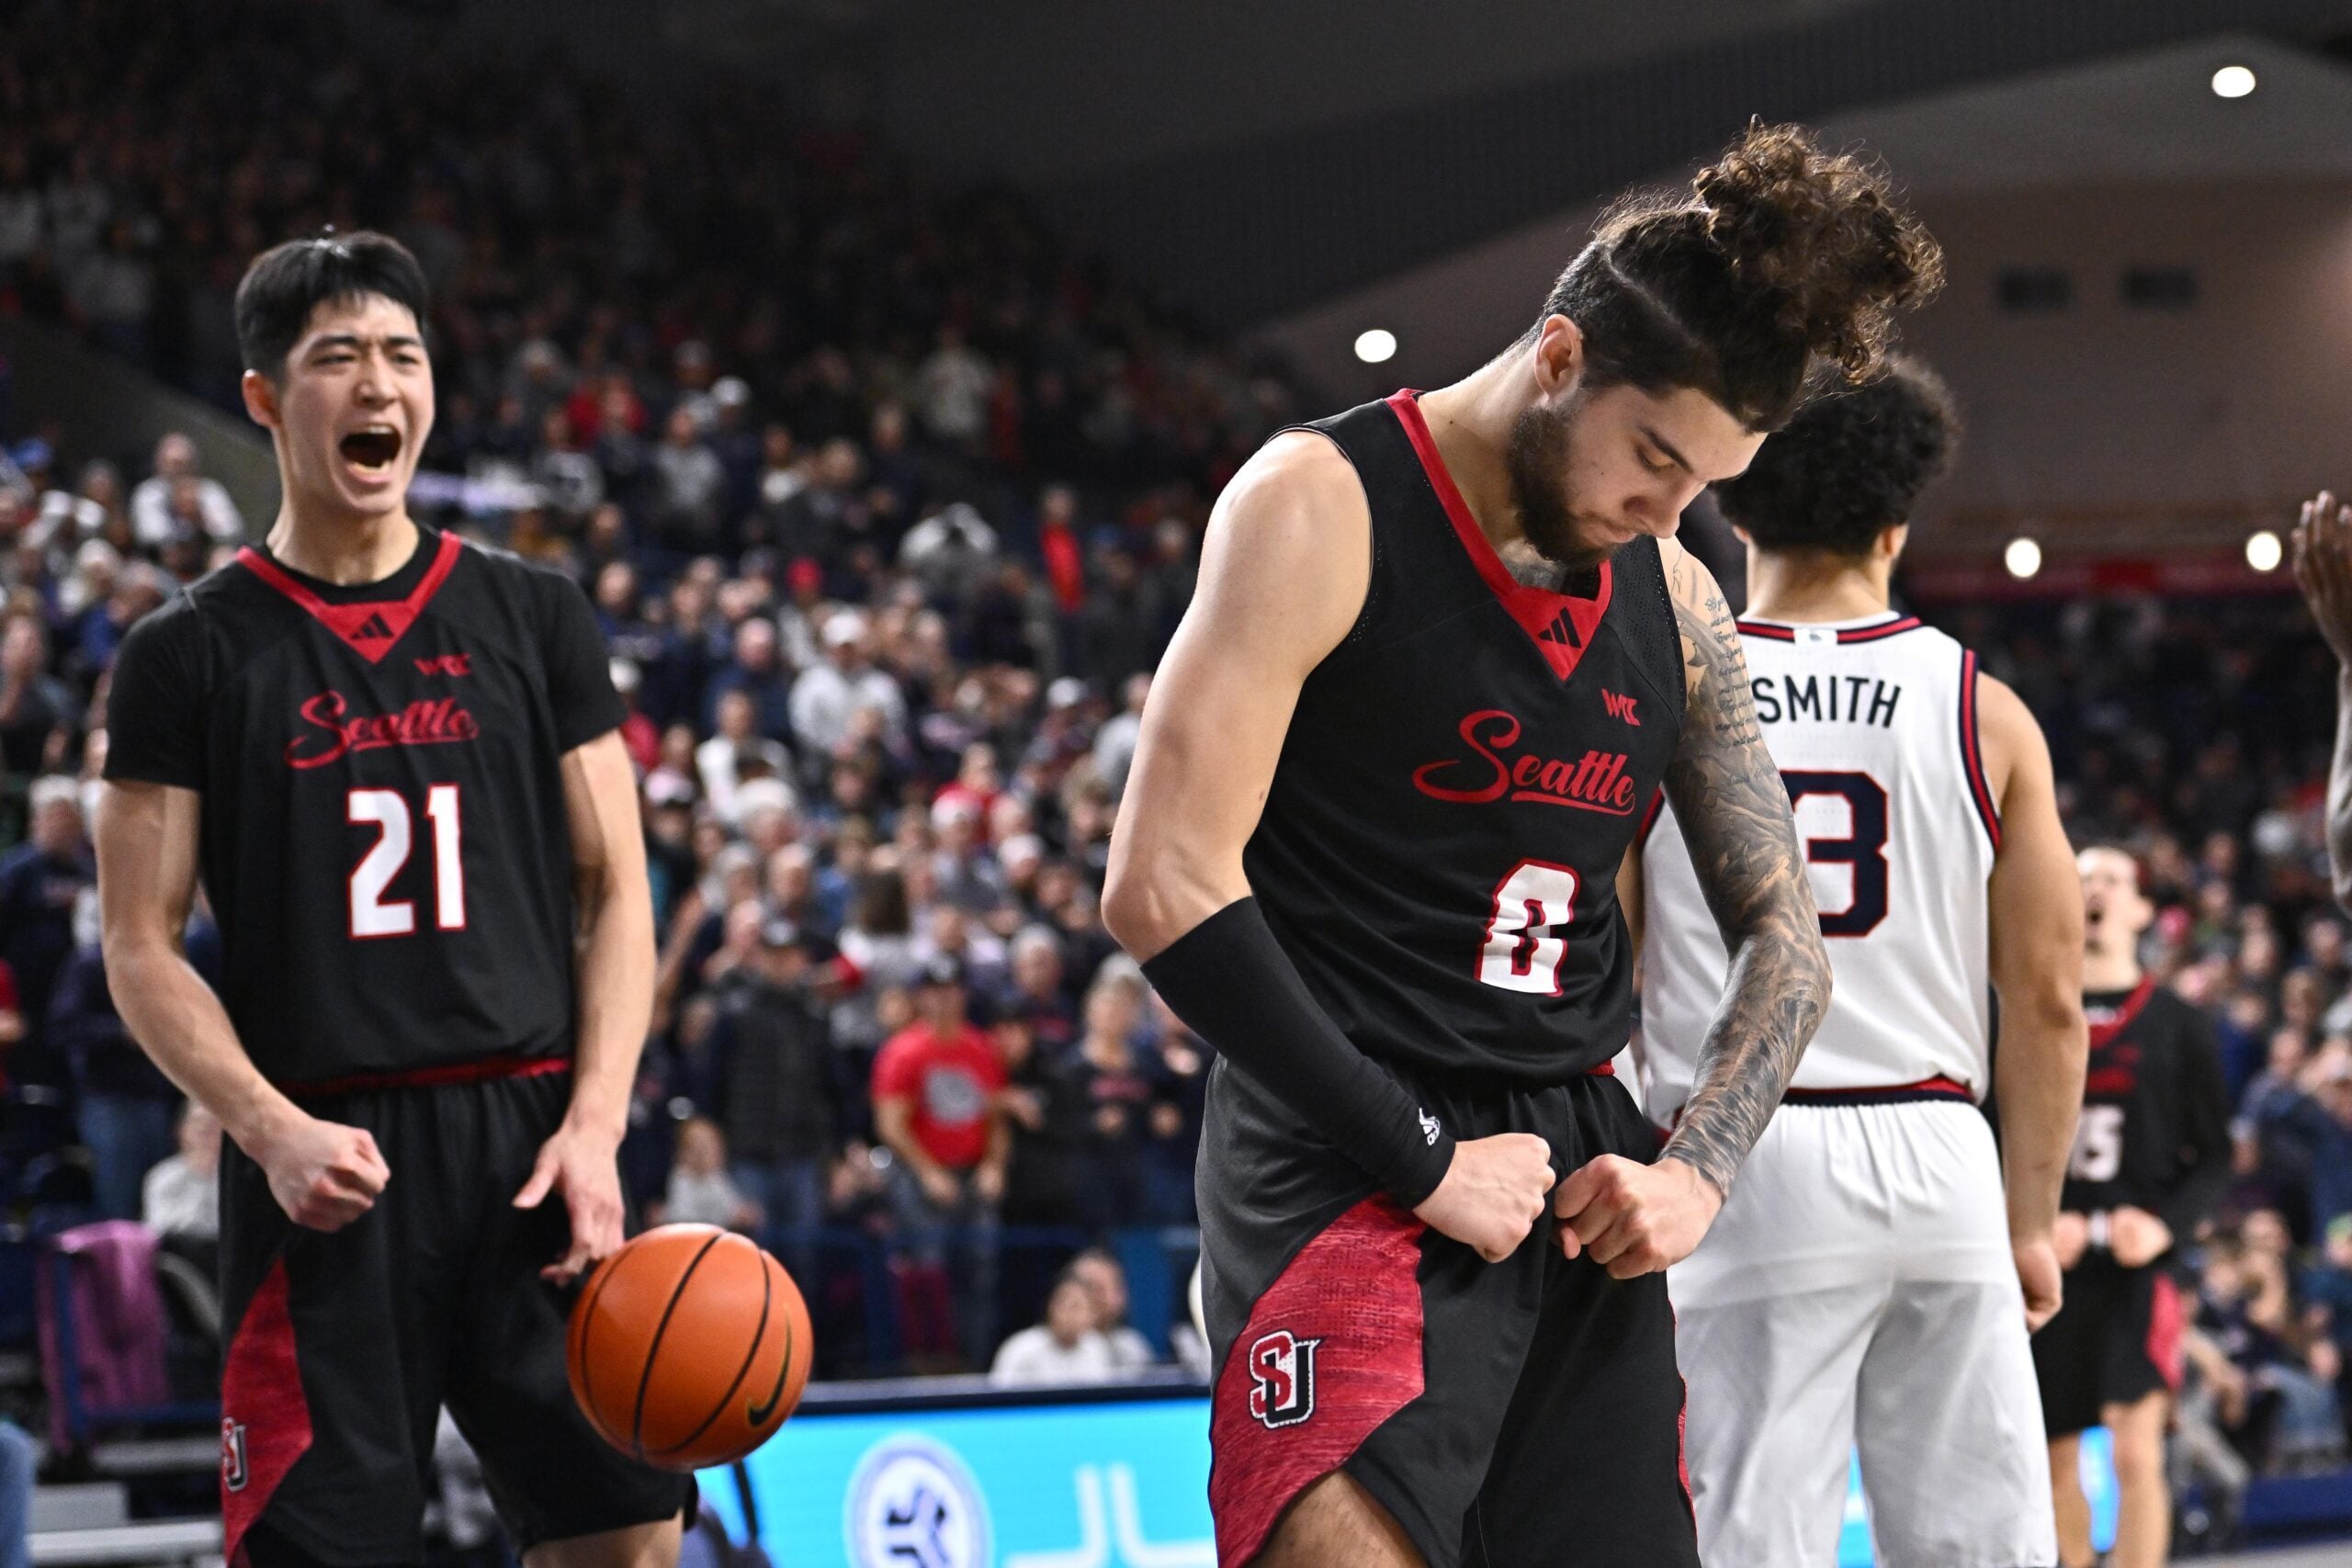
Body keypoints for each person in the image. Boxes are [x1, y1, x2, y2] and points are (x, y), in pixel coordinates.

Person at [1102, 123, 1937, 1567]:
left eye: (1706, 487)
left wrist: (1697, 1171)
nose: (1671, 513)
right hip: (1343, 1146)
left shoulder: (1674, 597)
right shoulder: (1320, 501)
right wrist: (1416, 1154)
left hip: (1576, 1168)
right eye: (1655, 458)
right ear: (1560, 358)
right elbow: (1164, 879)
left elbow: (1786, 938)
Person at [94, 233, 690, 1567]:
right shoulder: (186, 650)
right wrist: (265, 1125)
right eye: (338, 357)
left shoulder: (534, 614)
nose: (380, 384)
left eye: (403, 356)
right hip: (328, 1164)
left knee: (630, 1534)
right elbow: (138, 943)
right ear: (262, 397)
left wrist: (597, 1129)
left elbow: (620, 891)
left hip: (535, 1146)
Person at [1630, 365, 2087, 1568]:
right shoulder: (1983, 706)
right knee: (1979, 1546)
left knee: (1740, 1540)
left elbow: (1611, 955)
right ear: (1898, 524)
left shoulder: (1669, 678)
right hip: (1941, 1158)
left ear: (1736, 508)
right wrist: (2031, 1220)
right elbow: (2044, 996)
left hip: (1739, 1152)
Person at [2035, 848, 2235, 1567]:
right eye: (2083, 879)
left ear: (2143, 910)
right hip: (2049, 1263)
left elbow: (2214, 1155)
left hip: (2137, 1266)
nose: (2095, 891)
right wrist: (2026, 1220)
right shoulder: (2032, 1010)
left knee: (2134, 1447)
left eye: (2113, 880)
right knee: (2054, 1458)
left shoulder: (2179, 1022)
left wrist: (2163, 1226)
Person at [870, 953, 1009, 1368]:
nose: (944, 1001)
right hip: (923, 1173)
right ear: (921, 998)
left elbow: (996, 1117)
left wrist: (994, 1165)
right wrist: (929, 1172)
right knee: (929, 1268)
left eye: (951, 992)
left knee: (981, 1268)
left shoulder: (980, 1048)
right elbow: (891, 1124)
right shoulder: (903, 1051)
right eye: (935, 993)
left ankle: (976, 1359)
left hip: (972, 1168)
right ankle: (930, 1360)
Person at [989, 1269, 1114, 1388]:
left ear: (1092, 1315)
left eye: (1077, 1307)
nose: (1069, 1315)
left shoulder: (1097, 1348)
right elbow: (999, 1398)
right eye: (1063, 1305)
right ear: (1051, 1307)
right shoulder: (1021, 1349)